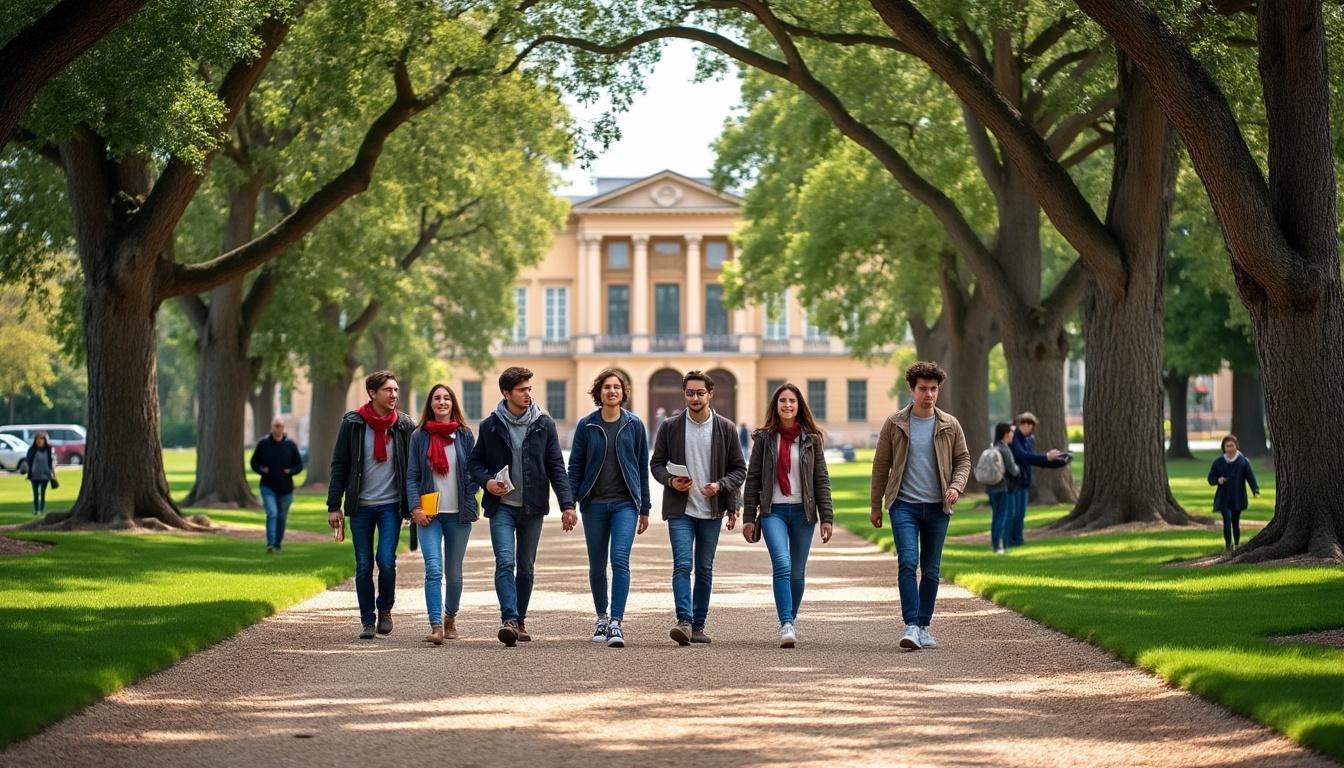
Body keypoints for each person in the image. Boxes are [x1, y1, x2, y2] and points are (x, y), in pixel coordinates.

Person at [467, 366, 576, 647]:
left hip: (533, 507)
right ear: (506, 393)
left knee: (525, 566)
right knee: (505, 561)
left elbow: (555, 466)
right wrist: (487, 482)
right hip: (502, 505)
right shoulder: (490, 425)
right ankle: (509, 620)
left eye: (529, 389)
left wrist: (567, 505)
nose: (528, 394)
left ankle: (521, 619)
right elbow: (474, 463)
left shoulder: (544, 423)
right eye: (522, 390)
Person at [869, 361, 971, 651]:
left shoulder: (950, 425)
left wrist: (955, 486)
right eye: (923, 389)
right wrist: (875, 505)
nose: (929, 394)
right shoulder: (895, 423)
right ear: (912, 390)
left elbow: (963, 460)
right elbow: (881, 465)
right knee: (907, 562)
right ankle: (911, 624)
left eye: (934, 389)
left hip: (938, 507)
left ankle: (924, 626)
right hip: (904, 505)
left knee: (931, 568)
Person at [650, 370, 747, 645]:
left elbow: (739, 469)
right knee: (682, 565)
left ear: (710, 394)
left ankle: (698, 625)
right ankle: (684, 620)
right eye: (690, 393)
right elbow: (656, 464)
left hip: (711, 509)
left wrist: (722, 487)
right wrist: (670, 480)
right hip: (681, 509)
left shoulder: (726, 428)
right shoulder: (670, 427)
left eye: (700, 393)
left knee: (704, 568)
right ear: (685, 395)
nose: (695, 398)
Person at [741, 383, 834, 648]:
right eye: (782, 401)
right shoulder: (764, 438)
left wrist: (827, 517)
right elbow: (753, 479)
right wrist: (749, 516)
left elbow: (821, 479)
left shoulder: (812, 439)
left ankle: (790, 619)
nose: (787, 405)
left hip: (804, 512)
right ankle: (786, 624)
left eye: (792, 401)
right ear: (776, 405)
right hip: (774, 511)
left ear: (799, 405)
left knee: (797, 572)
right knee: (781, 564)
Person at [326, 370, 416, 640]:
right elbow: (339, 466)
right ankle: (367, 620)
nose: (394, 395)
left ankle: (385, 610)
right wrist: (334, 505)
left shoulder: (404, 425)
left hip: (391, 505)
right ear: (373, 393)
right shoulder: (353, 424)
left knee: (386, 560)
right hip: (361, 506)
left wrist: (414, 504)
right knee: (363, 564)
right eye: (388, 390)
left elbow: (414, 468)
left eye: (396, 390)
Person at [567, 368, 652, 648]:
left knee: (619, 560)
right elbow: (575, 466)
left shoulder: (634, 424)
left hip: (625, 504)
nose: (612, 391)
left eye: (617, 387)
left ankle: (616, 622)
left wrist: (645, 508)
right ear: (599, 393)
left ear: (623, 392)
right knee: (596, 565)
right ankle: (601, 618)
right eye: (607, 387)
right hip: (593, 504)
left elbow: (642, 467)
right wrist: (570, 504)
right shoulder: (587, 425)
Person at [407, 384, 479, 645]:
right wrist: (416, 508)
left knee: (454, 573)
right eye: (437, 398)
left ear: (453, 403)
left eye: (446, 398)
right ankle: (436, 625)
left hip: (459, 515)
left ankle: (450, 618)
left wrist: (470, 493)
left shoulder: (465, 435)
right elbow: (412, 475)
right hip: (429, 516)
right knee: (433, 570)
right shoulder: (419, 436)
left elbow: (475, 471)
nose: (442, 402)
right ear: (430, 404)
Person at [1006, 412, 1069, 547]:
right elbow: (1023, 456)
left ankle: (1017, 539)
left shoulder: (1027, 439)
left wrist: (1059, 462)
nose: (1030, 428)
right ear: (1022, 424)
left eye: (1031, 425)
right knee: (1014, 513)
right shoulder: (1015, 438)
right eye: (1028, 425)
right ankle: (1010, 540)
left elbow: (1035, 460)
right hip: (1014, 481)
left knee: (1021, 513)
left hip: (1024, 481)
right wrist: (1046, 456)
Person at [250, 417, 305, 553]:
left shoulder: (290, 445)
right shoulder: (263, 444)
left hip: (286, 489)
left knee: (282, 516)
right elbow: (254, 462)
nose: (278, 428)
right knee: (272, 513)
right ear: (271, 427)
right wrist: (261, 469)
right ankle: (270, 544)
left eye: (280, 426)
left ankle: (277, 543)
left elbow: (299, 465)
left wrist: (290, 471)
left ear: (283, 427)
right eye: (275, 426)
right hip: (267, 486)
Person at [1208, 434, 1259, 551]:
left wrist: (1255, 489)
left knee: (1235, 523)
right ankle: (1228, 546)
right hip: (1223, 498)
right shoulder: (1218, 462)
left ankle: (1236, 544)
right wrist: (1218, 480)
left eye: (1232, 445)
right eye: (1227, 446)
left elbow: (1250, 477)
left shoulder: (1243, 461)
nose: (1230, 448)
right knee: (1227, 520)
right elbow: (1210, 478)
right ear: (1224, 448)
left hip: (1238, 497)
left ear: (1236, 446)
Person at [985, 422, 1021, 555]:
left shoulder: (994, 447)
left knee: (996, 516)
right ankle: (998, 547)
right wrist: (1019, 469)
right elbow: (1013, 470)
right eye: (1011, 432)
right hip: (1003, 487)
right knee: (1002, 516)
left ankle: (995, 545)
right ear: (1006, 434)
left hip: (991, 487)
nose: (1012, 434)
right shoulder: (1005, 449)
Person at [24, 432, 56, 516]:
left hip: (45, 475)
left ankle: (41, 509)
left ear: (44, 440)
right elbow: (27, 461)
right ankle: (35, 509)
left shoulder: (48, 450)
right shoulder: (32, 450)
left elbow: (51, 463)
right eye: (38, 439)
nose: (39, 441)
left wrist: (54, 475)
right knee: (35, 493)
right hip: (34, 475)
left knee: (42, 493)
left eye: (41, 439)